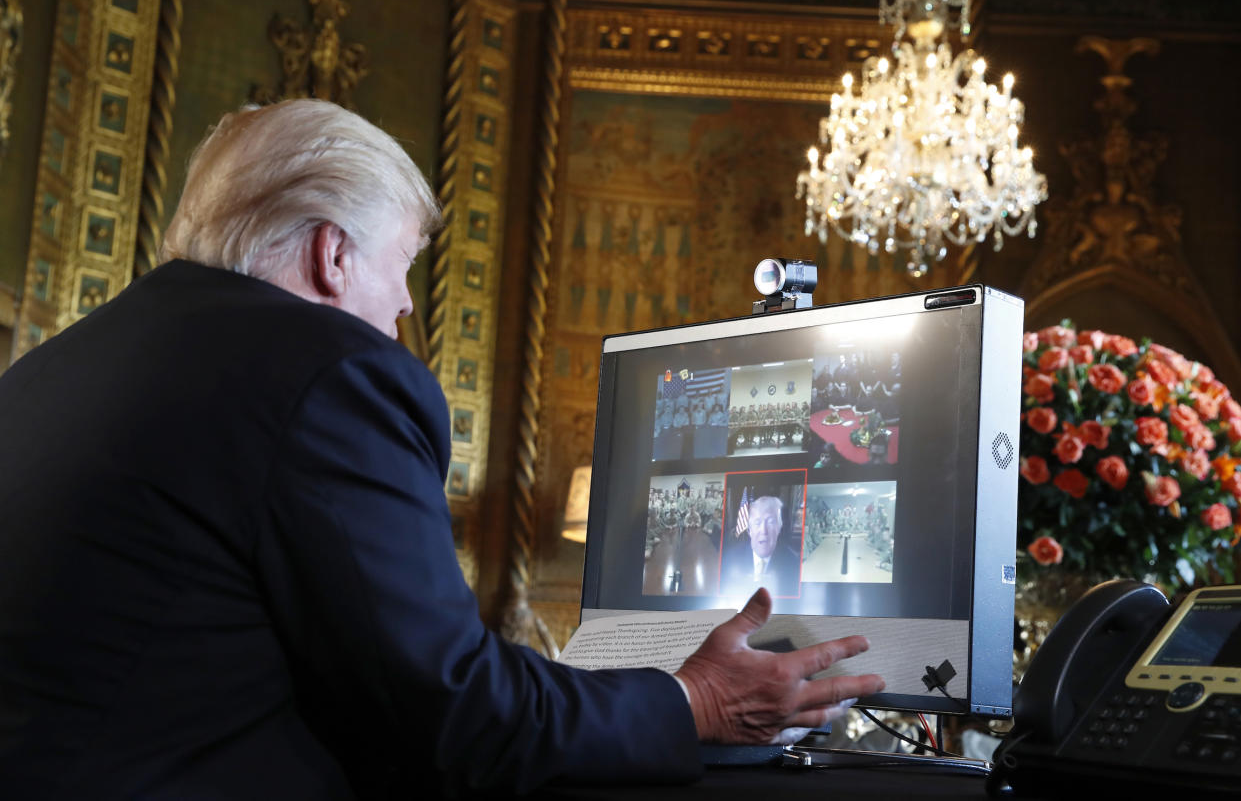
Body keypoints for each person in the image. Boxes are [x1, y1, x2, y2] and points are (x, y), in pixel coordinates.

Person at [0, 99, 883, 798]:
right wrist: (696, 701)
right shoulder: (329, 368)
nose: (406, 309)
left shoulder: (55, 366)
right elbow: (453, 710)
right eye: (406, 265)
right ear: (331, 255)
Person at [722, 494, 803, 597]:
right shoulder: (730, 559)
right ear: (749, 530)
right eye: (757, 522)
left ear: (779, 528)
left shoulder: (793, 565)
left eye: (770, 522)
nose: (763, 531)